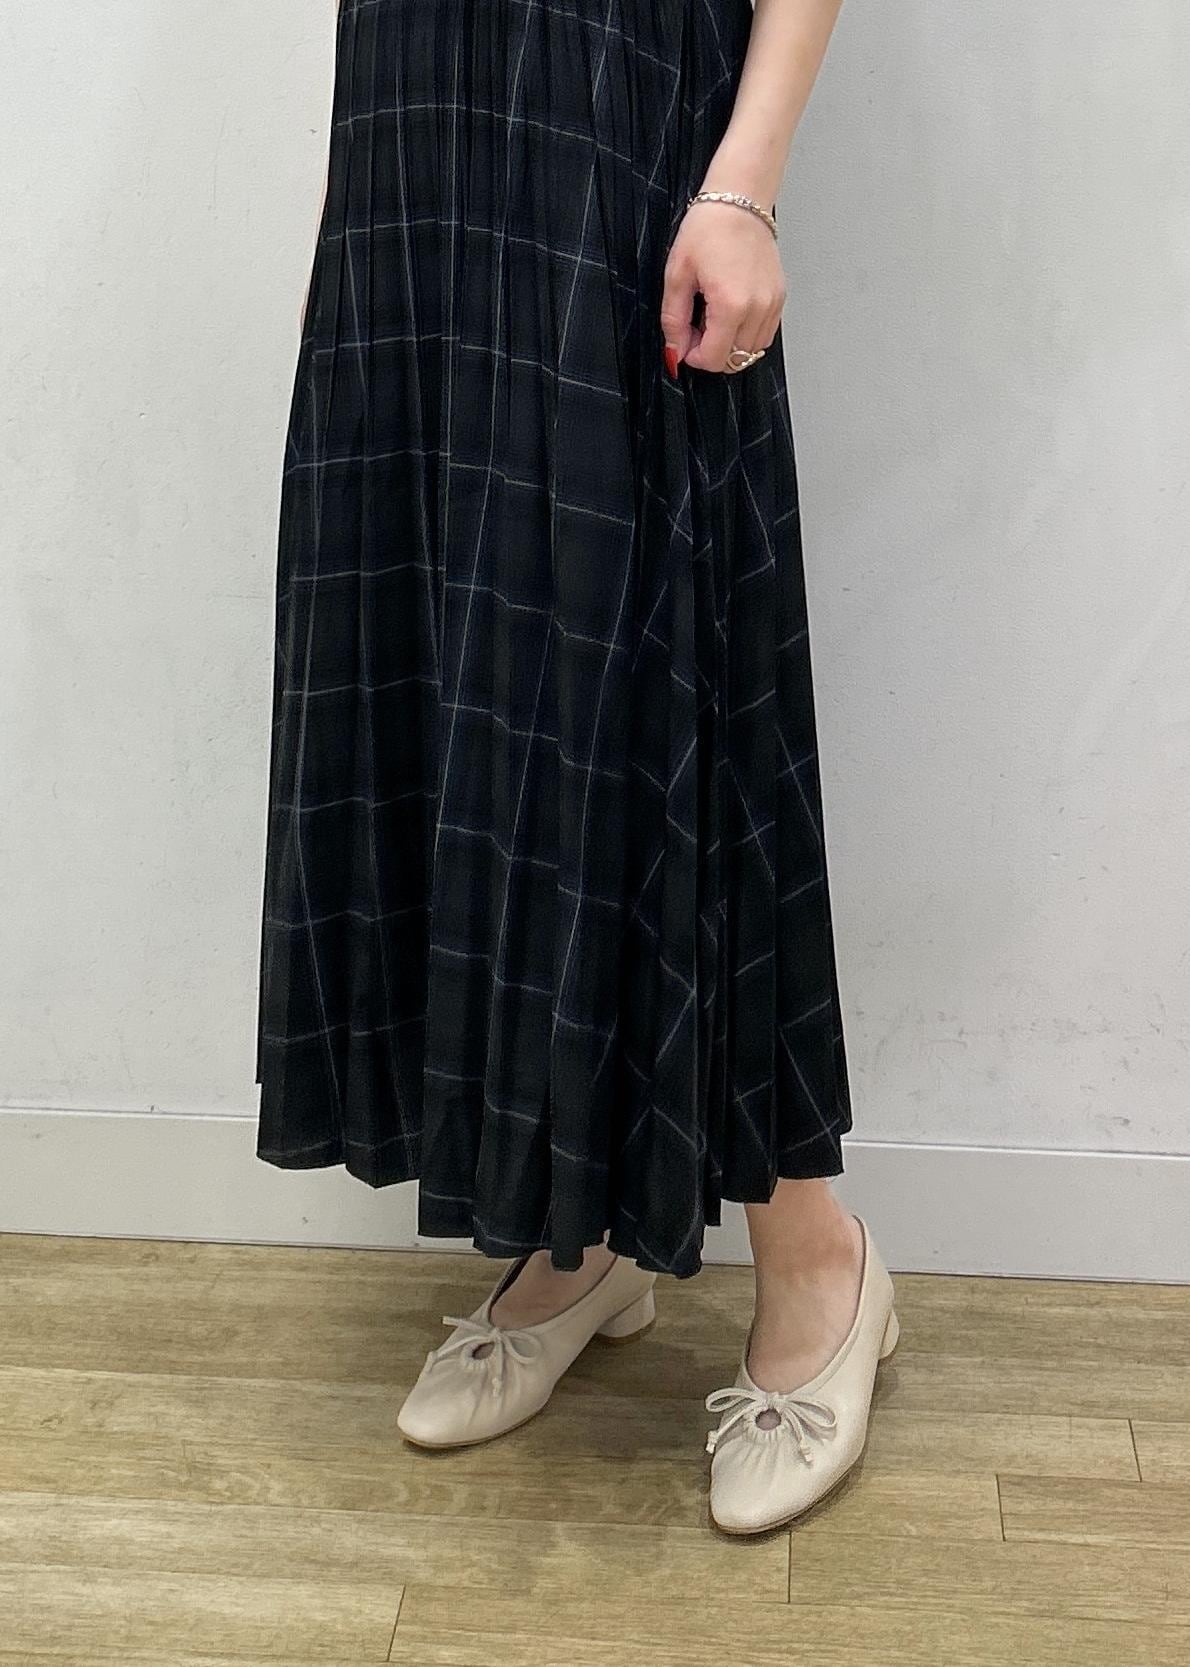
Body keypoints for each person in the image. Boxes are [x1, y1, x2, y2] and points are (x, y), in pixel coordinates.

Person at [254, 0, 897, 1535]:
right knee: (473, 680)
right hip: (419, 137)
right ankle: (573, 1236)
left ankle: (818, 1261)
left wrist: (743, 183)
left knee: (665, 662)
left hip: (621, 117)